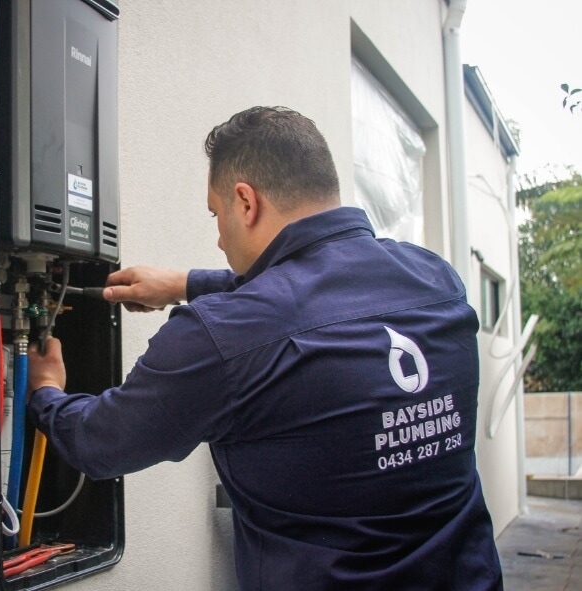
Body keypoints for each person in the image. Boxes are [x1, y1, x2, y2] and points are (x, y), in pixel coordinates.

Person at [28, 106, 503, 590]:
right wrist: (184, 283)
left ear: (245, 202)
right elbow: (311, 293)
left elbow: (100, 444)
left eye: (216, 215)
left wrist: (45, 391)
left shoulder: (218, 337)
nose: (217, 237)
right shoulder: (435, 278)